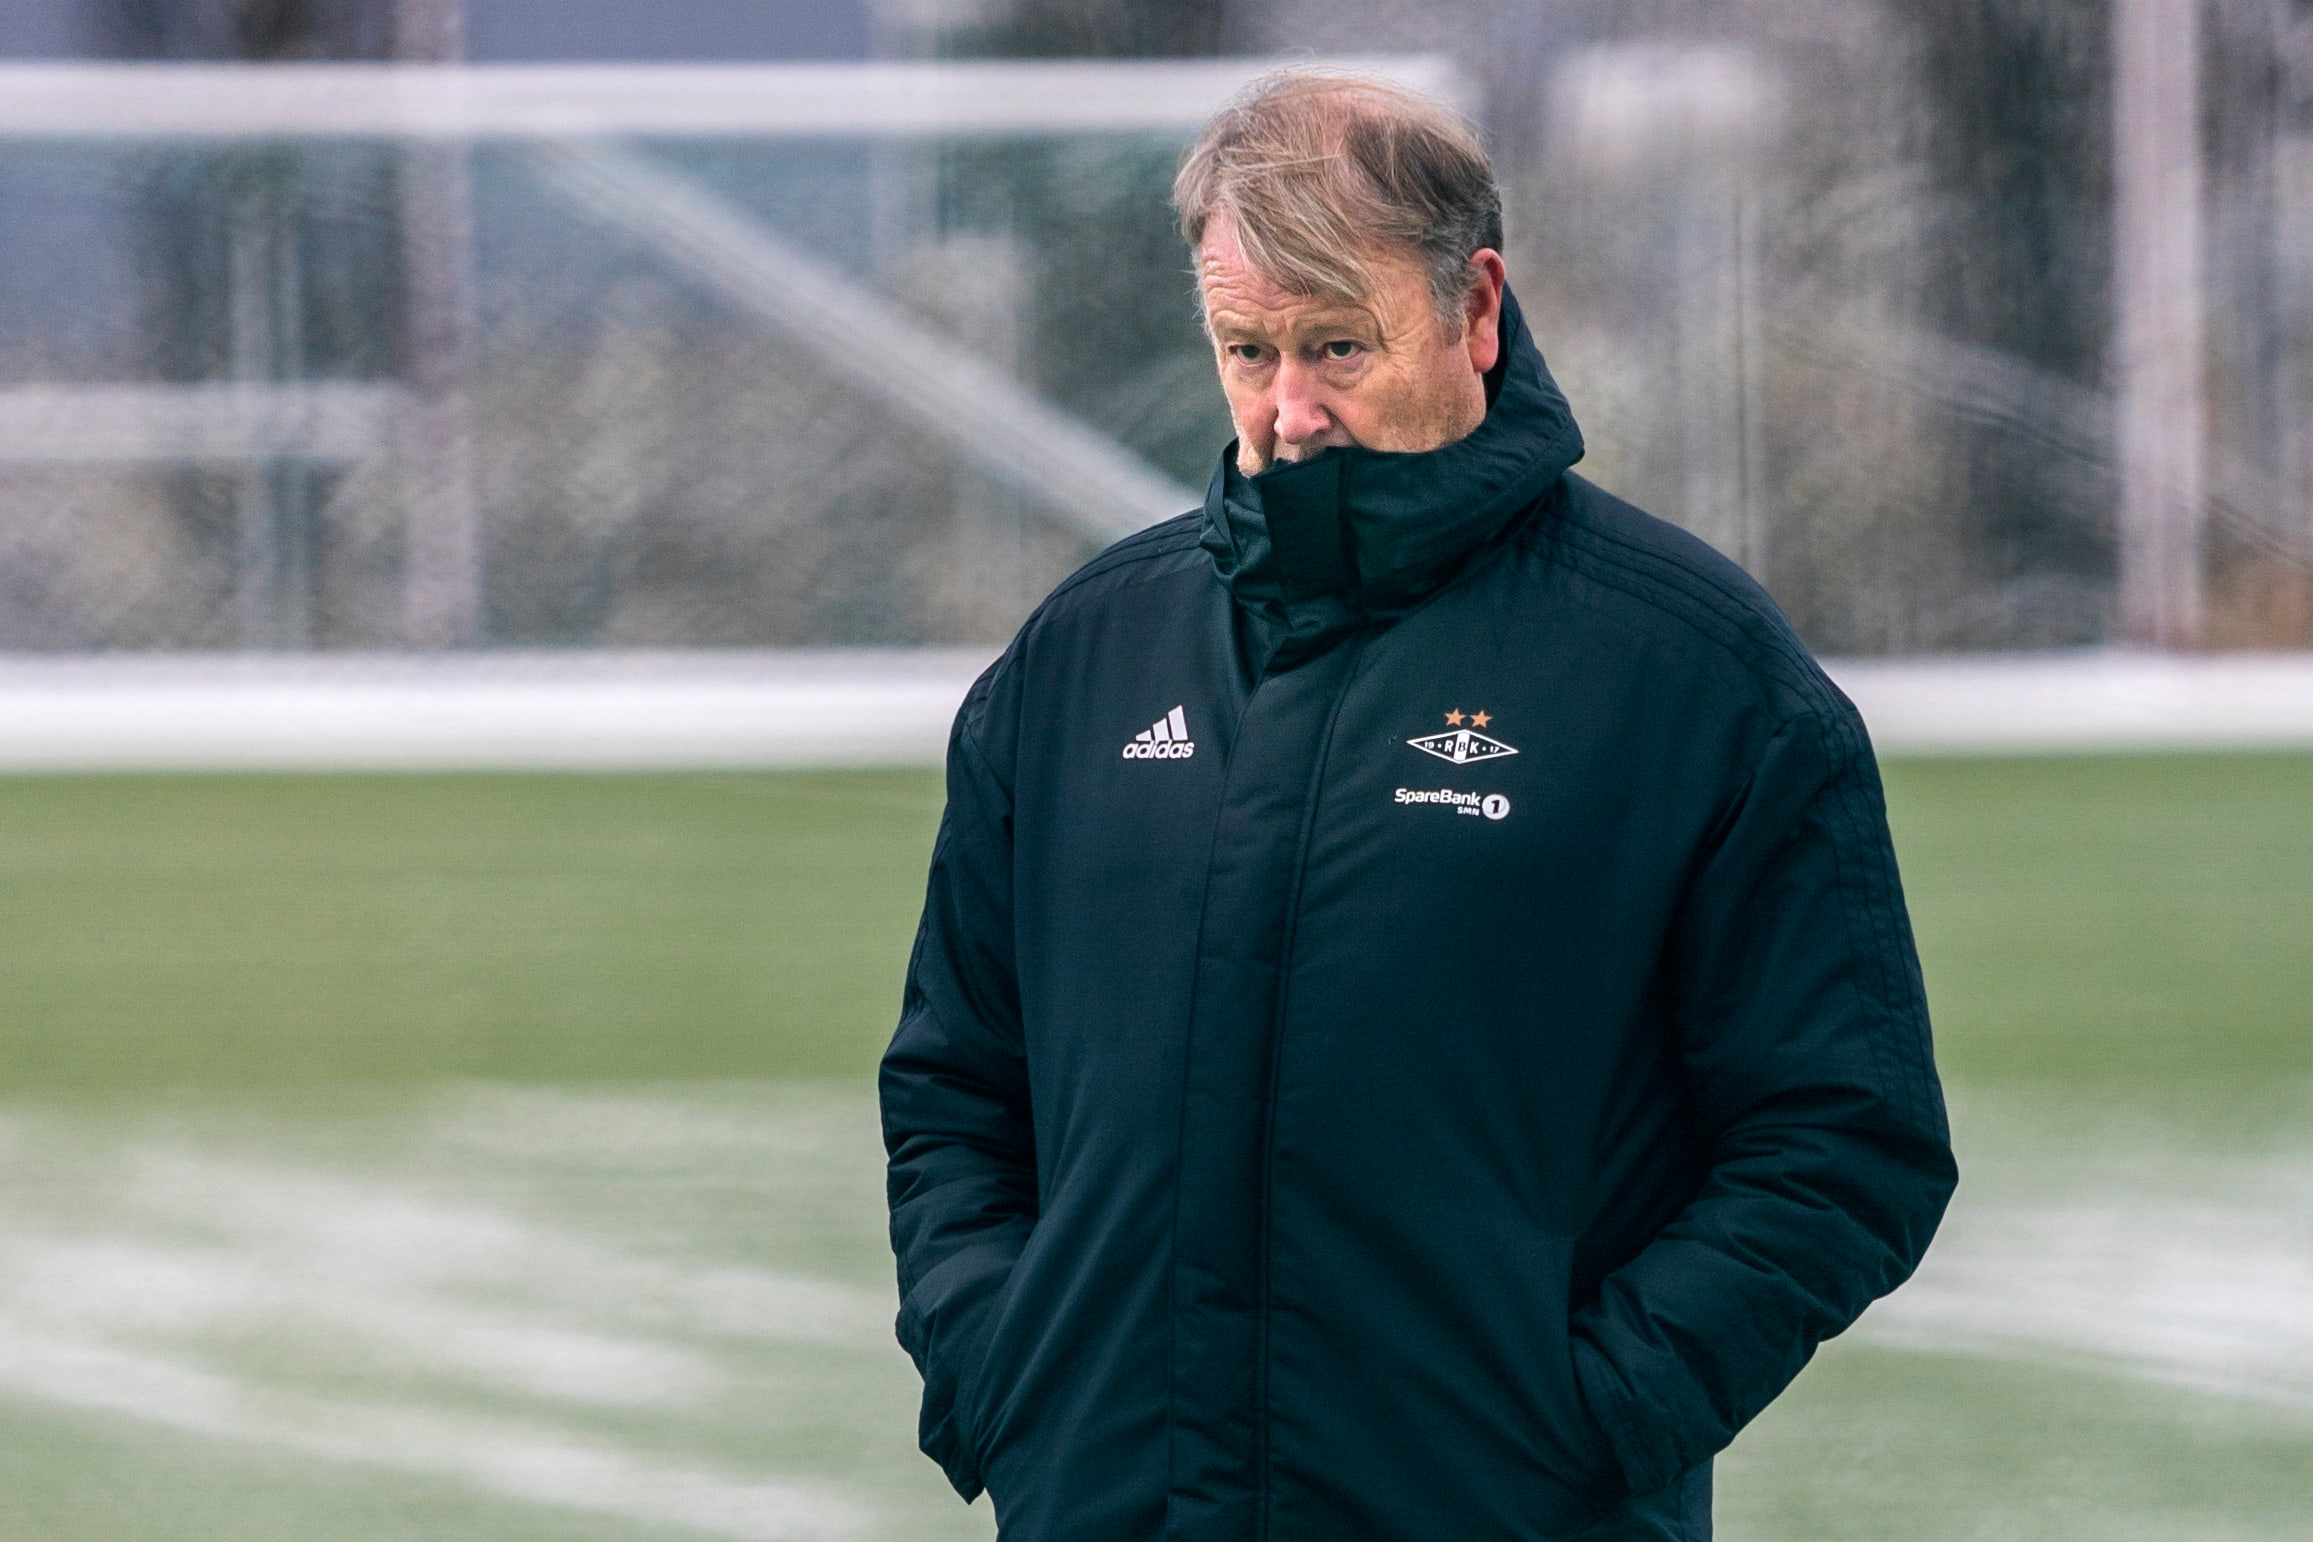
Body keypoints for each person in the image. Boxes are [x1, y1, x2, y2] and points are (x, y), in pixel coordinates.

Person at [881, 69, 1956, 1541]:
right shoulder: (1082, 656)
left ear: (1475, 308)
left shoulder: (1691, 673)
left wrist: (1583, 1425)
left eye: (1338, 344)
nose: (1289, 408)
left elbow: (1846, 1139)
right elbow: (954, 1088)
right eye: (1246, 350)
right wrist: (1007, 1377)